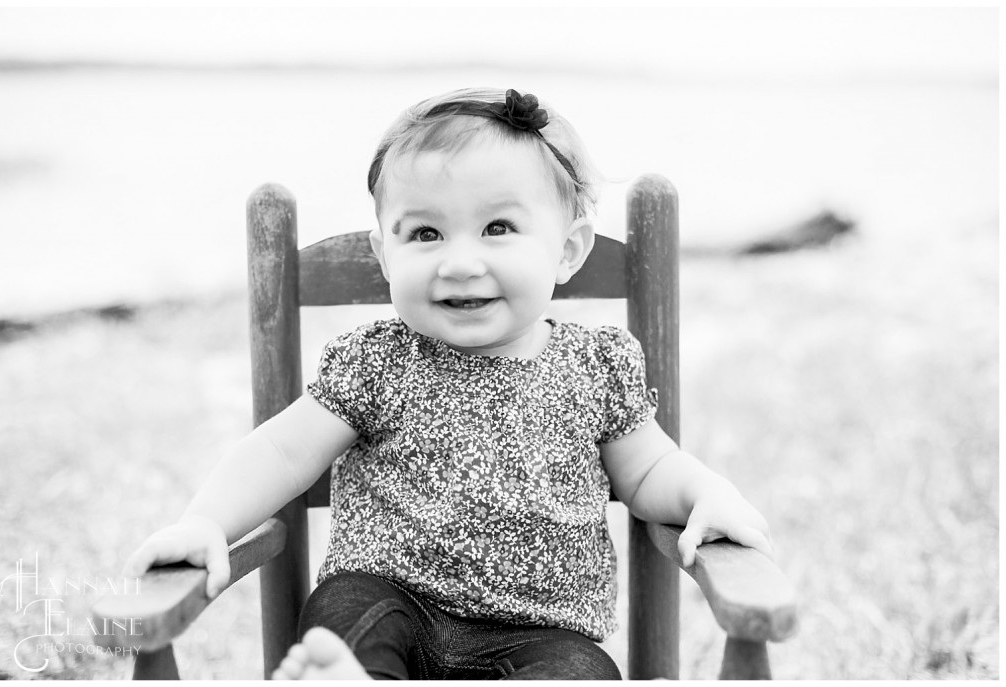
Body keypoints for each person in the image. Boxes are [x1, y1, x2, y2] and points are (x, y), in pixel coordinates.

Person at [125, 87, 774, 680]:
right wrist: (206, 519)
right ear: (385, 255)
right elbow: (281, 452)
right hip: (391, 597)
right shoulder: (377, 362)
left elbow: (651, 468)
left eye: (498, 228)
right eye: (426, 233)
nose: (460, 263)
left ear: (569, 249)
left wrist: (706, 493)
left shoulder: (595, 367)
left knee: (580, 672)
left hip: (543, 636)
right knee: (349, 613)